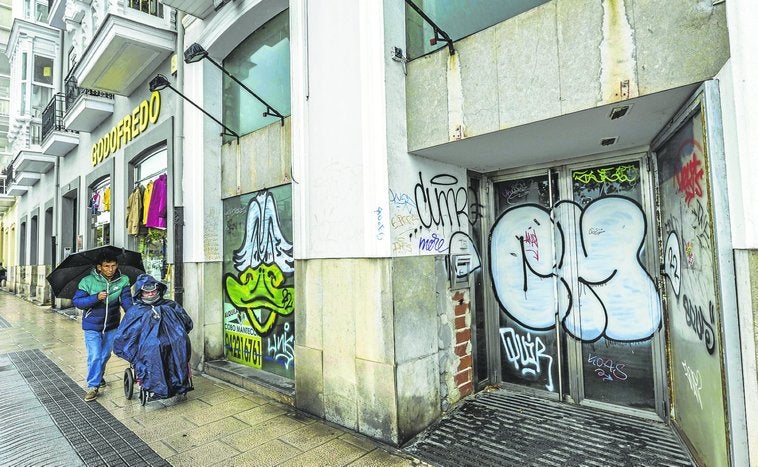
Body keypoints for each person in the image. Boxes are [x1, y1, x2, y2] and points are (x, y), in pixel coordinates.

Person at [114, 274, 193, 400]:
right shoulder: (135, 311)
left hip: (172, 341)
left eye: (153, 291)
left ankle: (178, 383)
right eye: (147, 292)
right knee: (153, 350)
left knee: (180, 345)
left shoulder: (170, 305)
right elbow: (126, 334)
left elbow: (186, 323)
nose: (150, 294)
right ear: (140, 293)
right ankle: (156, 386)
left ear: (158, 290)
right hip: (147, 346)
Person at [72, 251, 132, 402]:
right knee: (95, 355)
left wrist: (134, 315)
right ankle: (93, 386)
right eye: (106, 266)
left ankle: (98, 375)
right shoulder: (87, 281)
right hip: (92, 326)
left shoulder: (123, 280)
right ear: (99, 267)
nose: (110, 269)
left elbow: (126, 302)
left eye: (113, 266)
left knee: (105, 355)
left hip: (112, 325)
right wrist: (95, 297)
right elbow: (78, 302)